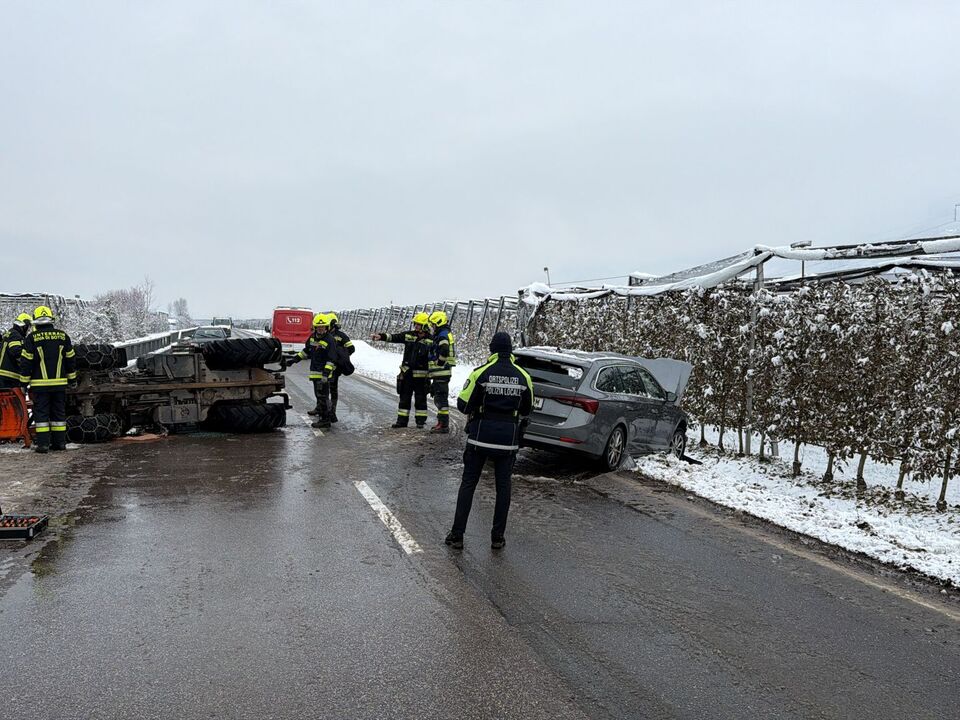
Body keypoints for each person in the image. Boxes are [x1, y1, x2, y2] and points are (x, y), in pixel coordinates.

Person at [445, 332, 533, 550]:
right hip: (508, 442)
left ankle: (457, 536)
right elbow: (527, 409)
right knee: (503, 488)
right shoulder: (524, 376)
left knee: (468, 484)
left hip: (480, 439)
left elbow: (463, 405)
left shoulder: (480, 373)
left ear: (492, 349)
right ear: (510, 350)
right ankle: (497, 538)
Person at [18, 306, 76, 453]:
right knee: (58, 414)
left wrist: (23, 383)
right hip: (59, 385)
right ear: (51, 320)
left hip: (40, 386)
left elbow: (26, 362)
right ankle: (60, 444)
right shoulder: (63, 336)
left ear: (35, 322)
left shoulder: (32, 338)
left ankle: (43, 445)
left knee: (42, 414)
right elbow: (70, 360)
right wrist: (72, 379)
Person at [371, 312, 434, 428]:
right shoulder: (409, 335)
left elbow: (434, 358)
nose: (416, 327)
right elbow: (395, 337)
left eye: (419, 325)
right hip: (407, 374)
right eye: (415, 324)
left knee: (421, 400)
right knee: (404, 398)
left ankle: (420, 422)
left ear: (425, 326)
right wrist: (381, 336)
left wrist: (431, 375)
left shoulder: (431, 340)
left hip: (422, 377)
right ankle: (401, 421)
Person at [286, 313, 337, 429]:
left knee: (323, 397)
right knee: (319, 396)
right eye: (318, 327)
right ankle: (327, 416)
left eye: (323, 327)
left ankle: (326, 420)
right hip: (315, 373)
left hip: (323, 375)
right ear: (315, 327)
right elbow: (306, 351)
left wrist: (325, 374)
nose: (320, 329)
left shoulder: (330, 340)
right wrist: (293, 360)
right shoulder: (313, 337)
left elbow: (331, 359)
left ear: (327, 327)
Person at [427, 310, 457, 434]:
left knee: (441, 399)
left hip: (442, 372)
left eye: (433, 325)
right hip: (442, 373)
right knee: (439, 398)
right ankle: (441, 423)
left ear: (438, 323)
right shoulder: (444, 333)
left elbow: (444, 350)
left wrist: (439, 363)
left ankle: (443, 425)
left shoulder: (442, 334)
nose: (432, 327)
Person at [323, 312, 354, 423]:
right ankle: (321, 409)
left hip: (335, 368)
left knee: (333, 389)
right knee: (322, 389)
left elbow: (351, 348)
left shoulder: (341, 336)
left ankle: (332, 412)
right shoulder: (324, 335)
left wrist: (341, 357)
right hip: (324, 366)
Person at [0, 313, 31, 389]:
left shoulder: (10, 333)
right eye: (28, 327)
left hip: (4, 375)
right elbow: (16, 352)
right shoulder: (15, 335)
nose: (28, 330)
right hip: (9, 376)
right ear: (24, 326)